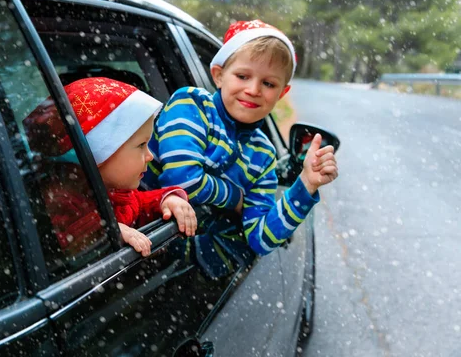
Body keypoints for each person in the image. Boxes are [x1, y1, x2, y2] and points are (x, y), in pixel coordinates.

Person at [142, 20, 338, 256]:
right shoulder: (190, 105)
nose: (254, 90)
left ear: (281, 93)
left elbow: (261, 240)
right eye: (243, 76)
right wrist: (236, 197)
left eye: (268, 83)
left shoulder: (264, 155)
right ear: (219, 75)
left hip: (170, 260)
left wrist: (306, 184)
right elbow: (183, 181)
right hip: (136, 228)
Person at [23, 77, 197, 257]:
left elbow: (138, 204)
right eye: (141, 145)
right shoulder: (62, 201)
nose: (150, 156)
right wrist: (106, 232)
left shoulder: (115, 190)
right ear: (101, 151)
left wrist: (165, 200)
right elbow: (68, 240)